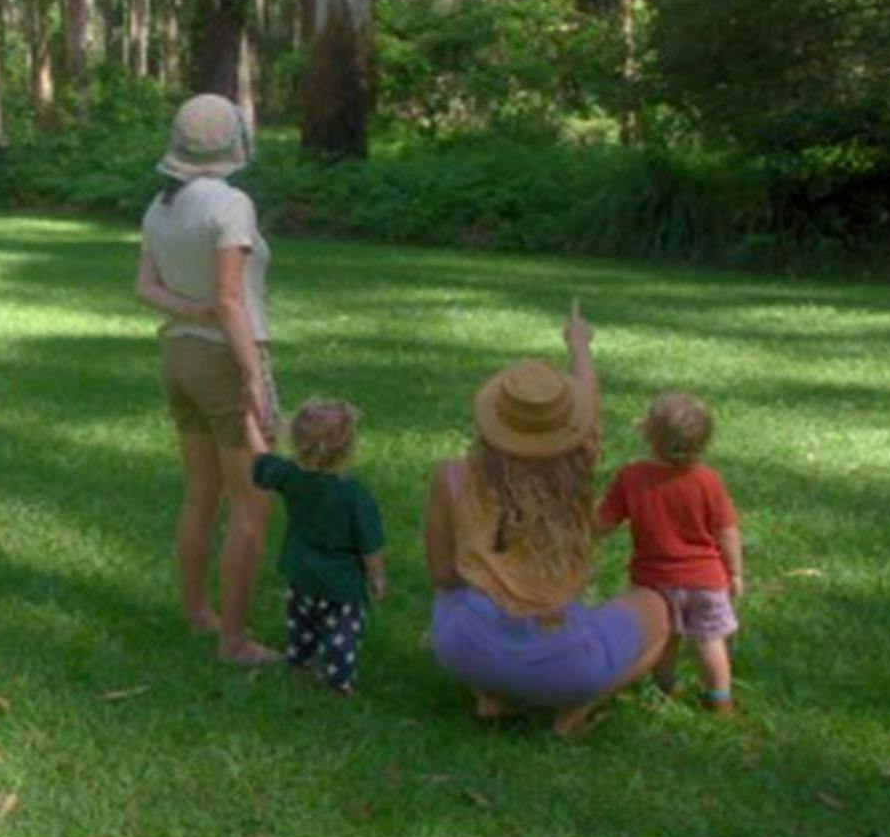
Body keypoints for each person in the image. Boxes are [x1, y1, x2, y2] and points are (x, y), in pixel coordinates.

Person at [423, 301, 672, 735]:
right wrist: (579, 346)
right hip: (566, 667)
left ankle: (491, 693)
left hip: (462, 647)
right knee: (658, 609)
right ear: (568, 428)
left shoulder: (453, 478)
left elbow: (443, 577)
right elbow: (589, 411)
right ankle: (577, 709)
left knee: (461, 604)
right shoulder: (575, 474)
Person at [135, 93, 282, 665]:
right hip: (225, 360)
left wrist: (189, 312)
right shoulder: (231, 205)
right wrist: (256, 379)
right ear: (233, 145)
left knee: (201, 493)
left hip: (178, 356)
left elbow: (145, 287)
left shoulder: (161, 206)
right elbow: (229, 298)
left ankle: (200, 613)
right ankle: (235, 640)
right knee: (253, 503)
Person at [597, 392, 744, 711]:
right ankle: (720, 699)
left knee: (663, 637)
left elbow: (602, 524)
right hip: (706, 580)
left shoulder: (631, 477)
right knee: (709, 640)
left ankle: (664, 689)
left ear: (648, 434)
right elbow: (727, 531)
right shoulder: (708, 481)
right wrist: (735, 572)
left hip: (653, 582)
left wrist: (575, 535)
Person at [252, 399, 387, 693]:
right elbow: (370, 544)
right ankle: (339, 681)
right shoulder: (355, 495)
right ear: (348, 447)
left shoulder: (290, 475)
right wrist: (377, 577)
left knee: (301, 622)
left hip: (300, 570)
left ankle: (299, 661)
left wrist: (267, 439)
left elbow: (261, 468)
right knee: (341, 632)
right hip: (340, 582)